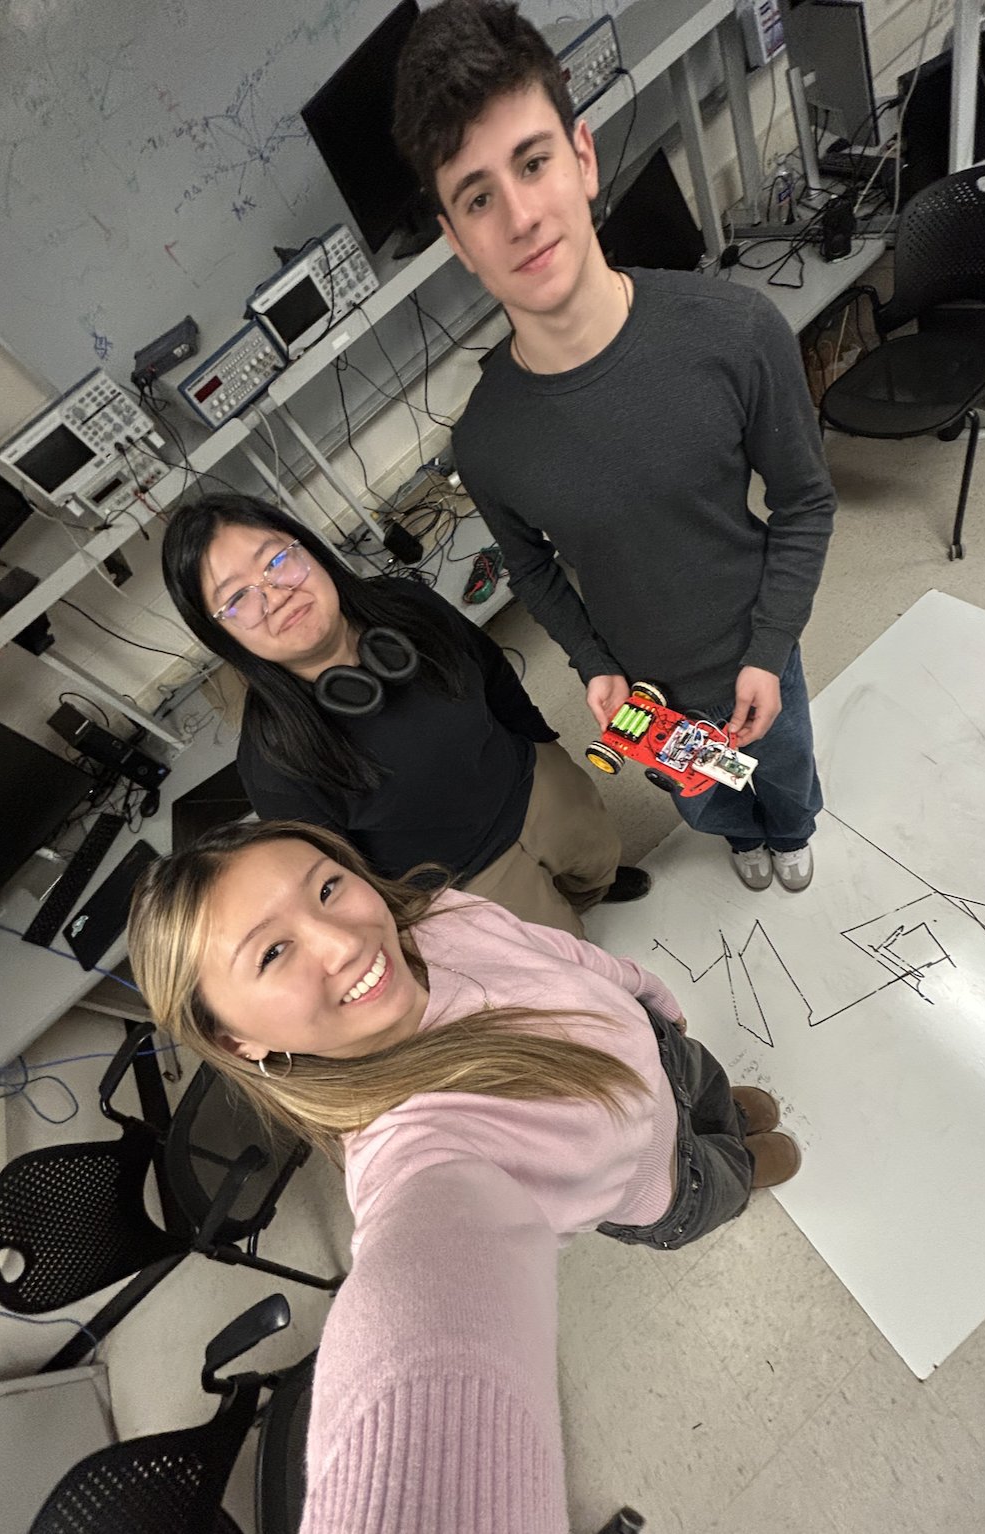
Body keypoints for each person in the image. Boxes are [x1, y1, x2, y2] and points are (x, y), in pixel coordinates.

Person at [128, 820, 802, 1532]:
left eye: (327, 887)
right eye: (272, 951)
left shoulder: (440, 918)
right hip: (667, 1188)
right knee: (731, 1169)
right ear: (239, 1040)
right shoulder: (415, 1151)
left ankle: (725, 1117)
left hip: (661, 1053)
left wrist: (650, 997)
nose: (344, 940)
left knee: (716, 1096)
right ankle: (745, 1162)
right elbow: (422, 1297)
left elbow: (564, 955)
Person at [392, 0, 837, 896]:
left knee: (783, 774)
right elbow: (532, 571)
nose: (519, 216)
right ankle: (740, 834)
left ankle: (787, 829)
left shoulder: (735, 330)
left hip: (757, 645)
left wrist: (770, 645)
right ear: (457, 239)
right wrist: (595, 667)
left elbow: (806, 503)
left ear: (583, 156)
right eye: (478, 197)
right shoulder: (485, 440)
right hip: (648, 696)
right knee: (705, 802)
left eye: (534, 162)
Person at [162, 492, 649, 937]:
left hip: (532, 779)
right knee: (570, 959)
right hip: (465, 882)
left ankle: (593, 890)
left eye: (277, 561)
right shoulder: (273, 760)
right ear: (222, 634)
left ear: (308, 549)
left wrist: (543, 745)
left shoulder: (407, 604)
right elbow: (339, 877)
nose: (274, 595)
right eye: (237, 599)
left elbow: (494, 673)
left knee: (598, 861)